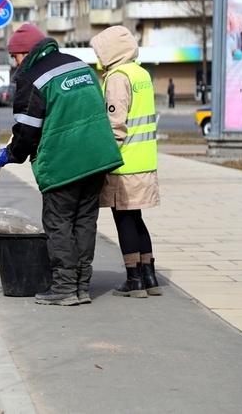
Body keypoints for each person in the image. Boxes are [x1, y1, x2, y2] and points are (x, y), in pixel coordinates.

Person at [0, 23, 123, 306]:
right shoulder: (80, 66)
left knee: (58, 222)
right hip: (97, 157)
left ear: (26, 53)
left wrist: (11, 153)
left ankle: (64, 287)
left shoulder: (32, 77)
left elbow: (27, 131)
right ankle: (82, 286)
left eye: (15, 57)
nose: (15, 63)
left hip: (64, 161)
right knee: (85, 222)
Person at [91, 26, 162, 298]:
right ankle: (150, 277)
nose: (99, 56)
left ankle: (134, 279)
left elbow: (115, 124)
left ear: (112, 50)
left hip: (124, 163)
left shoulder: (118, 78)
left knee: (124, 219)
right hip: (145, 161)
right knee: (137, 218)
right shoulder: (141, 74)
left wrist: (103, 157)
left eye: (100, 50)